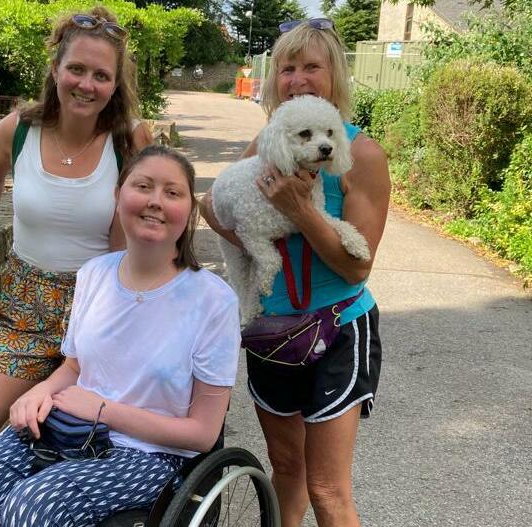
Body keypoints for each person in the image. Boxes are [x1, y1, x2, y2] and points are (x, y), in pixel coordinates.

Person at [0, 145, 241, 526]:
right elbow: (74, 366)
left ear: (188, 211)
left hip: (153, 455)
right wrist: (38, 393)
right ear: (118, 196)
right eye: (143, 186)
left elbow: (202, 433)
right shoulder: (94, 274)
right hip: (72, 430)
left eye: (172, 192)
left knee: (32, 508)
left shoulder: (214, 301)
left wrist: (104, 410)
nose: (155, 202)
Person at [0, 6, 154, 514]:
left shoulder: (129, 139)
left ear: (115, 84)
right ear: (55, 69)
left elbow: (149, 218)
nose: (86, 84)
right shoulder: (19, 130)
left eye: (102, 75)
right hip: (25, 313)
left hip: (101, 313)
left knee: (79, 452)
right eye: (77, 69)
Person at [200, 18, 390, 527]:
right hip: (273, 331)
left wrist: (300, 210)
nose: (298, 78)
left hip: (338, 328)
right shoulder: (268, 142)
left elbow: (358, 266)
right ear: (274, 78)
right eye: (288, 68)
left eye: (313, 66)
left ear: (335, 77)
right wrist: (259, 245)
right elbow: (213, 208)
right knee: (285, 464)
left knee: (328, 488)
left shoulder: (361, 154)